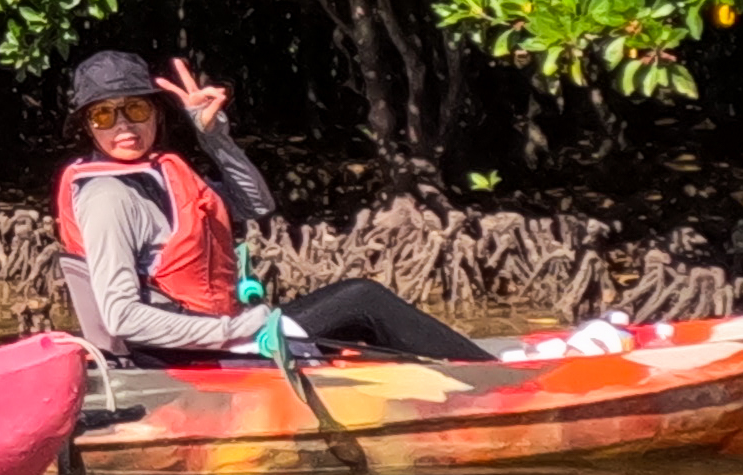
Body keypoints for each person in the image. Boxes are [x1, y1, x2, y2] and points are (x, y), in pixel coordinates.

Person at [48, 49, 484, 368]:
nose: (123, 125)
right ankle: (495, 378)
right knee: (361, 298)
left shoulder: (158, 173)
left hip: (209, 338)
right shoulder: (108, 197)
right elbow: (122, 318)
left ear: (157, 115)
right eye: (104, 116)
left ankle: (466, 369)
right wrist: (235, 330)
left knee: (354, 319)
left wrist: (215, 137)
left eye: (135, 108)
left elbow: (256, 204)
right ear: (88, 127)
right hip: (177, 354)